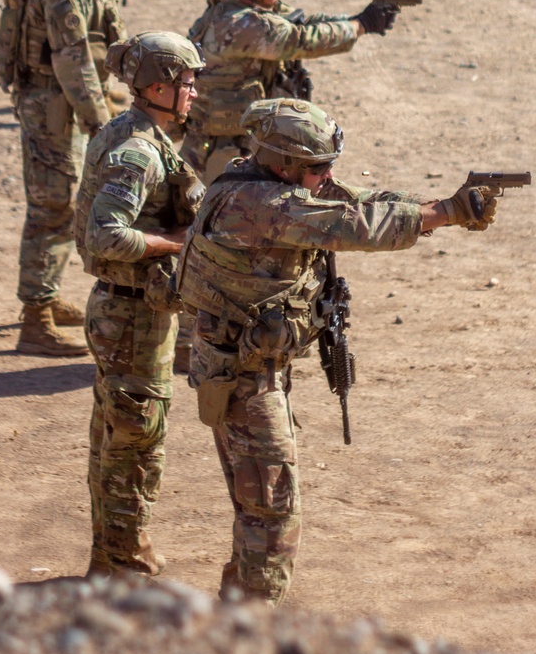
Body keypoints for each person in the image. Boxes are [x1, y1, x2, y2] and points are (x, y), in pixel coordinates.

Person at [178, 96, 500, 606]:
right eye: (318, 168)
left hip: (247, 367)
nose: (327, 177)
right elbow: (352, 225)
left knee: (256, 505)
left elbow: (361, 200)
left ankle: (235, 614)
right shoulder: (262, 206)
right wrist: (446, 213)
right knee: (273, 512)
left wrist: (443, 208)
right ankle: (245, 631)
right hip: (243, 377)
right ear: (283, 164)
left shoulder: (267, 179)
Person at [75, 32, 205, 577]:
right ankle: (120, 567)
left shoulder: (129, 130)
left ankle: (118, 552)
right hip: (131, 317)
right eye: (187, 82)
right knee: (136, 441)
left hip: (124, 311)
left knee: (117, 434)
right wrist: (177, 243)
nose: (195, 91)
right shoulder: (137, 150)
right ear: (157, 87)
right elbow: (104, 235)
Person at [0, 0, 125, 356]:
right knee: (51, 206)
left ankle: (44, 298)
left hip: (58, 99)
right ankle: (35, 321)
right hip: (52, 104)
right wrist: (98, 119)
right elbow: (72, 59)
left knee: (65, 202)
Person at [183, 0, 406, 184]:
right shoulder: (239, 24)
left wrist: (354, 20)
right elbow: (298, 39)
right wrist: (360, 25)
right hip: (223, 151)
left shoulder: (250, 11)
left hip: (237, 142)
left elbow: (301, 21)